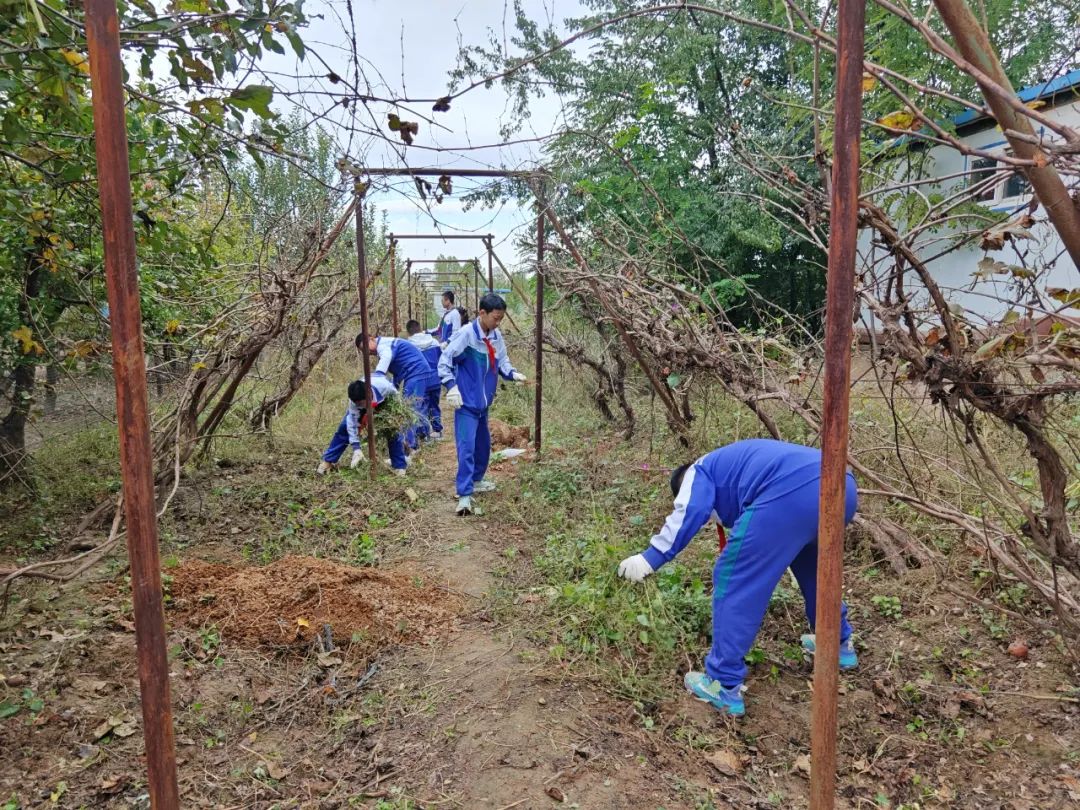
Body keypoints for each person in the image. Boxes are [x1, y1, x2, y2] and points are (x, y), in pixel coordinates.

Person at [617, 439, 859, 717]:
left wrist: (649, 558)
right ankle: (837, 643)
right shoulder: (732, 465)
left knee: (734, 578)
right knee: (814, 569)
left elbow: (691, 510)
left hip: (790, 493)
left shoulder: (699, 471)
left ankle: (722, 683)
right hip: (842, 483)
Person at [439, 293, 526, 516]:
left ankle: (477, 480)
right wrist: (451, 386)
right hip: (466, 404)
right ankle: (464, 495)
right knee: (466, 448)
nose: (498, 323)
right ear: (482, 313)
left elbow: (502, 361)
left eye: (501, 319)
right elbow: (444, 360)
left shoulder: (495, 336)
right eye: (495, 318)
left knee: (482, 446)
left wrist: (512, 374)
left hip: (483, 404)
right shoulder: (466, 335)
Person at [316, 377, 407, 477]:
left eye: (361, 403)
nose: (359, 405)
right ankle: (328, 461)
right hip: (367, 402)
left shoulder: (385, 388)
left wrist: (397, 416)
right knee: (344, 427)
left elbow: (397, 401)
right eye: (357, 403)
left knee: (392, 429)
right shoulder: (355, 402)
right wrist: (356, 449)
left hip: (383, 401)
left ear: (368, 394)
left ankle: (399, 466)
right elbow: (352, 424)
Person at [362, 332, 430, 451]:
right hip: (414, 372)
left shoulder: (384, 346)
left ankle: (409, 448)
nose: (367, 352)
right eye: (363, 351)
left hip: (416, 371)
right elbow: (397, 373)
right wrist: (392, 391)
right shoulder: (386, 345)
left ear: (372, 339)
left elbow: (385, 362)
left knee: (409, 408)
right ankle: (423, 436)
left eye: (366, 347)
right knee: (415, 406)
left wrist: (377, 377)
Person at [406, 319, 443, 441]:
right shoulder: (434, 342)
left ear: (409, 332)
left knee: (421, 406)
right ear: (420, 328)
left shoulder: (409, 345)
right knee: (434, 404)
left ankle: (423, 433)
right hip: (435, 378)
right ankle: (437, 431)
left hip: (421, 381)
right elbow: (441, 360)